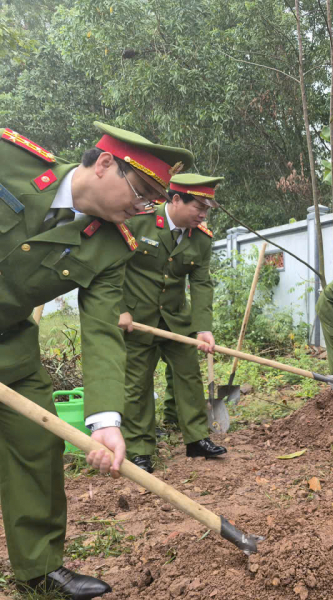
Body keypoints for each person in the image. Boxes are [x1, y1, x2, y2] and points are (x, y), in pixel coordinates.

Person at [0, 122, 193, 598]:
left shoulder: (110, 246)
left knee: (37, 446)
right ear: (106, 163)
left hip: (10, 348)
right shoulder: (10, 160)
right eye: (142, 193)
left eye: (152, 201)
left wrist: (105, 420)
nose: (142, 208)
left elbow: (103, 331)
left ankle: (40, 570)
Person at [118, 174, 226, 473]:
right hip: (137, 320)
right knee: (137, 384)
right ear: (176, 199)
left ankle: (196, 439)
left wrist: (204, 327)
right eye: (199, 207)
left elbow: (201, 282)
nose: (203, 214)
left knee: (189, 378)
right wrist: (120, 308)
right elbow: (112, 264)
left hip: (177, 320)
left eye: (208, 209)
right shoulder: (138, 222)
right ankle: (140, 449)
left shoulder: (200, 238)